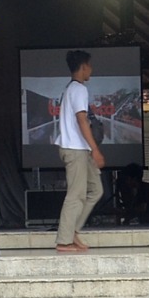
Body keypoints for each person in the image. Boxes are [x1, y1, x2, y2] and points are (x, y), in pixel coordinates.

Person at [54, 50, 104, 253]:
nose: (91, 69)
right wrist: (96, 150)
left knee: (96, 190)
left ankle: (72, 231)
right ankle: (64, 240)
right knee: (76, 195)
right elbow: (82, 120)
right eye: (89, 66)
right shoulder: (79, 89)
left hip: (79, 148)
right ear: (83, 67)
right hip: (75, 149)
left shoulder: (72, 89)